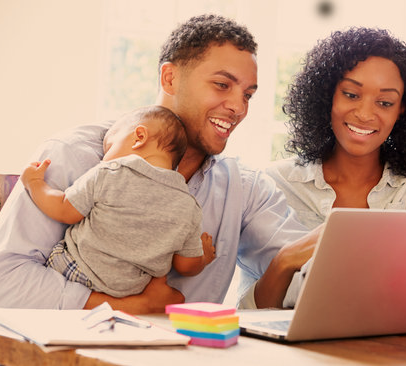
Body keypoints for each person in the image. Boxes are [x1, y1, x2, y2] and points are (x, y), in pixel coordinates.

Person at [0, 14, 315, 313]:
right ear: (170, 78)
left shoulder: (244, 189)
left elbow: (303, 269)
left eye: (247, 95)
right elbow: (5, 281)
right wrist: (127, 308)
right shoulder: (71, 155)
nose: (238, 107)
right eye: (222, 85)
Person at [265, 27, 406, 306]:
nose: (365, 114)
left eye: (385, 102)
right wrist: (285, 261)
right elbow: (253, 311)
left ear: (401, 110)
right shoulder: (276, 183)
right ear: (328, 95)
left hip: (388, 343)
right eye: (351, 95)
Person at [20, 105, 215, 298]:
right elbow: (185, 265)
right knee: (174, 297)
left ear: (139, 137)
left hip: (76, 270)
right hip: (128, 292)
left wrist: (35, 183)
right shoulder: (189, 207)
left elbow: (64, 210)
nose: (104, 157)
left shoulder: (111, 172)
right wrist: (204, 257)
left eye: (109, 147)